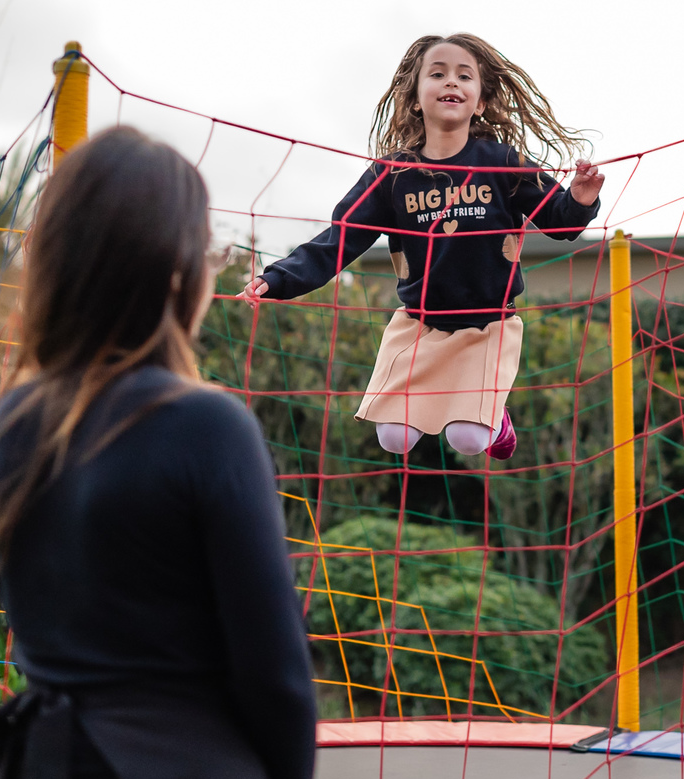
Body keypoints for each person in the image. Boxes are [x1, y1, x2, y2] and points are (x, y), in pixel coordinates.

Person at [0, 127, 316, 779]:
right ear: (177, 271)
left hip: (36, 775)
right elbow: (276, 676)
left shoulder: (3, 425)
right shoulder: (205, 425)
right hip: (184, 775)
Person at [239, 33, 605, 460]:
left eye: (463, 76)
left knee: (468, 440)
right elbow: (340, 239)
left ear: (480, 101)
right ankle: (465, 409)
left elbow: (559, 221)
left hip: (488, 323)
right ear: (415, 98)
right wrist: (277, 279)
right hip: (420, 323)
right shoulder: (392, 174)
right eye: (438, 73)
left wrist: (580, 198)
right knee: (393, 438)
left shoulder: (502, 161)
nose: (451, 82)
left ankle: (496, 418)